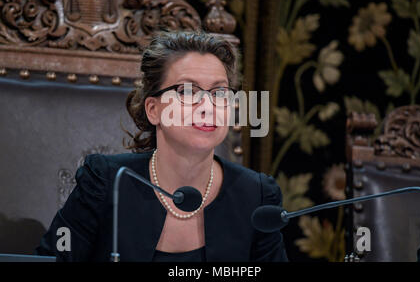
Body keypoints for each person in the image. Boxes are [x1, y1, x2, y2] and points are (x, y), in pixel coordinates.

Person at [36, 30, 288, 262]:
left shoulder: (257, 195)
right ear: (153, 110)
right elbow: (53, 258)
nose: (208, 106)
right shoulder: (105, 181)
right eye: (187, 91)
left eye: (219, 93)